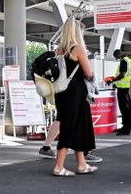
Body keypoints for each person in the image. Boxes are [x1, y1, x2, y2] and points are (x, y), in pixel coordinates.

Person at [50, 16, 97, 176]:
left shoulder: (59, 49)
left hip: (62, 93)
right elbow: (88, 73)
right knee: (71, 128)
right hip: (76, 93)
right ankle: (58, 166)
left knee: (73, 125)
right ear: (77, 32)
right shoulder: (78, 48)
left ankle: (82, 164)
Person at [108, 49, 131, 135]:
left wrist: (112, 80)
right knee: (126, 108)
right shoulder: (128, 60)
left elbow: (122, 74)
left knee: (124, 109)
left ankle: (126, 128)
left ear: (118, 54)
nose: (117, 58)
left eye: (116, 57)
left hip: (123, 89)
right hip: (126, 87)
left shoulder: (123, 60)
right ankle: (125, 126)